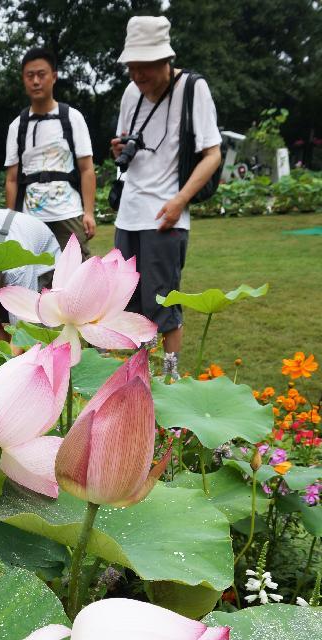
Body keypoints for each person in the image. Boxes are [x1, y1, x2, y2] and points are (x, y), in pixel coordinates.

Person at [111, 16, 221, 379]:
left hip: (165, 218)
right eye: (132, 68)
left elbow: (212, 154)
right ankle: (136, 382)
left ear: (166, 60)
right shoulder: (131, 93)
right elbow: (127, 148)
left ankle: (170, 380)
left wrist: (180, 201)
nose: (138, 76)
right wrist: (119, 150)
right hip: (128, 214)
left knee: (164, 309)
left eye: (145, 68)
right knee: (127, 309)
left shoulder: (192, 89)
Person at [4, 47, 96, 260]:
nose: (36, 81)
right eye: (30, 76)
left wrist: (89, 212)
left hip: (69, 213)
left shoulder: (72, 118)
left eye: (41, 74)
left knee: (78, 275)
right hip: (31, 218)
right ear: (23, 79)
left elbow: (87, 169)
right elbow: (11, 179)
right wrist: (11, 219)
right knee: (36, 278)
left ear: (53, 77)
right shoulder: (17, 126)